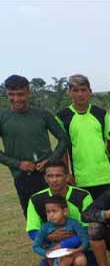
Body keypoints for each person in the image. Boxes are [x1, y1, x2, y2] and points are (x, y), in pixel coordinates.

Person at [1, 74, 70, 218]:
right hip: (22, 176)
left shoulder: (42, 114)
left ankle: (62, 241)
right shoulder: (3, 117)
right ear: (6, 93)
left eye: (20, 94)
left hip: (48, 174)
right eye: (11, 95)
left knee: (57, 214)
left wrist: (49, 160)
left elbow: (63, 139)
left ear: (28, 92)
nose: (16, 99)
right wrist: (18, 164)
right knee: (32, 216)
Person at [56, 74, 110, 199]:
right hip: (81, 179)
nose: (80, 94)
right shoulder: (62, 116)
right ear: (69, 92)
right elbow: (62, 150)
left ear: (90, 92)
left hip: (106, 177)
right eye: (75, 91)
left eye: (83, 90)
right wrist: (67, 173)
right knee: (85, 216)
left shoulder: (101, 113)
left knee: (109, 216)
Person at [32, 195, 94, 266]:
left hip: (75, 255)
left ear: (65, 211)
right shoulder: (45, 227)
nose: (51, 215)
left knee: (75, 259)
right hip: (55, 259)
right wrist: (47, 254)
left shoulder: (74, 224)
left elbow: (85, 241)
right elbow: (36, 246)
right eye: (48, 212)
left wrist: (76, 250)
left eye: (54, 211)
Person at [25, 161, 93, 241]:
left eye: (58, 176)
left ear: (67, 177)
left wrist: (66, 243)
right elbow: (32, 231)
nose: (54, 180)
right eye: (50, 176)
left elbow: (89, 228)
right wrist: (49, 237)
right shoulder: (35, 199)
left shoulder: (83, 196)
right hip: (51, 243)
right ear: (45, 178)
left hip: (80, 241)